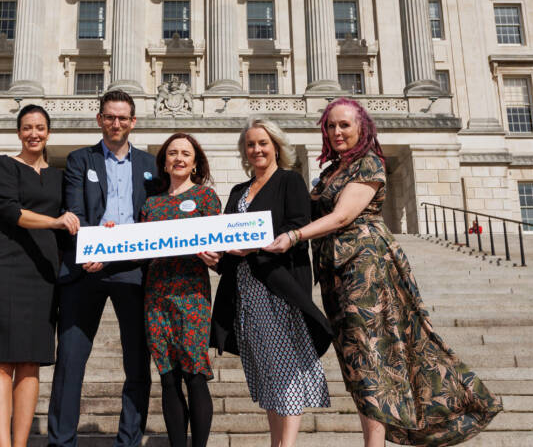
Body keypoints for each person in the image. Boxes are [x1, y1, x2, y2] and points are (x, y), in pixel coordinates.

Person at [262, 98, 501, 447]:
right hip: (334, 273)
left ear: (362, 127)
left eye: (344, 124)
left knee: (371, 356)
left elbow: (343, 216)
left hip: (366, 268)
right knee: (356, 361)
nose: (336, 131)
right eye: (330, 126)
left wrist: (294, 236)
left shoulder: (368, 163)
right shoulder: (330, 171)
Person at [201, 118, 333, 447]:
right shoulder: (238, 191)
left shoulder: (290, 181)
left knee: (285, 368)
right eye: (250, 144)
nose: (257, 149)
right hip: (244, 293)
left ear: (276, 145)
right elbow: (229, 240)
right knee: (267, 374)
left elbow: (299, 226)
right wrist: (215, 256)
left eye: (263, 143)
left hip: (277, 289)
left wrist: (260, 244)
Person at [49, 90, 157, 447]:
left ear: (133, 122)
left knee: (137, 364)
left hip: (133, 269)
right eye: (110, 117)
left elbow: (154, 217)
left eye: (123, 118)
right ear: (100, 119)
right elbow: (76, 211)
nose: (116, 124)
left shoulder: (149, 165)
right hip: (87, 268)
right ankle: (61, 441)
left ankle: (128, 442)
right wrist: (90, 249)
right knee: (70, 362)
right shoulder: (81, 160)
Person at [0, 105, 79, 447]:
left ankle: (20, 444)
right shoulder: (4, 165)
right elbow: (9, 211)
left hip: (44, 270)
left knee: (30, 362)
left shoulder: (59, 176)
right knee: (0, 360)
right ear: (19, 132)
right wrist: (55, 221)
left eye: (39, 127)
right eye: (27, 127)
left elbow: (77, 217)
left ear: (48, 132)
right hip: (7, 265)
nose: (33, 133)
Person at [139, 133, 220, 447]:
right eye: (172, 153)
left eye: (186, 153)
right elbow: (139, 246)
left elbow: (219, 245)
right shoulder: (151, 203)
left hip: (192, 293)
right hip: (156, 293)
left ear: (195, 161)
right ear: (164, 161)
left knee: (195, 374)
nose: (179, 158)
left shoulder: (205, 197)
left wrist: (216, 257)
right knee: (168, 377)